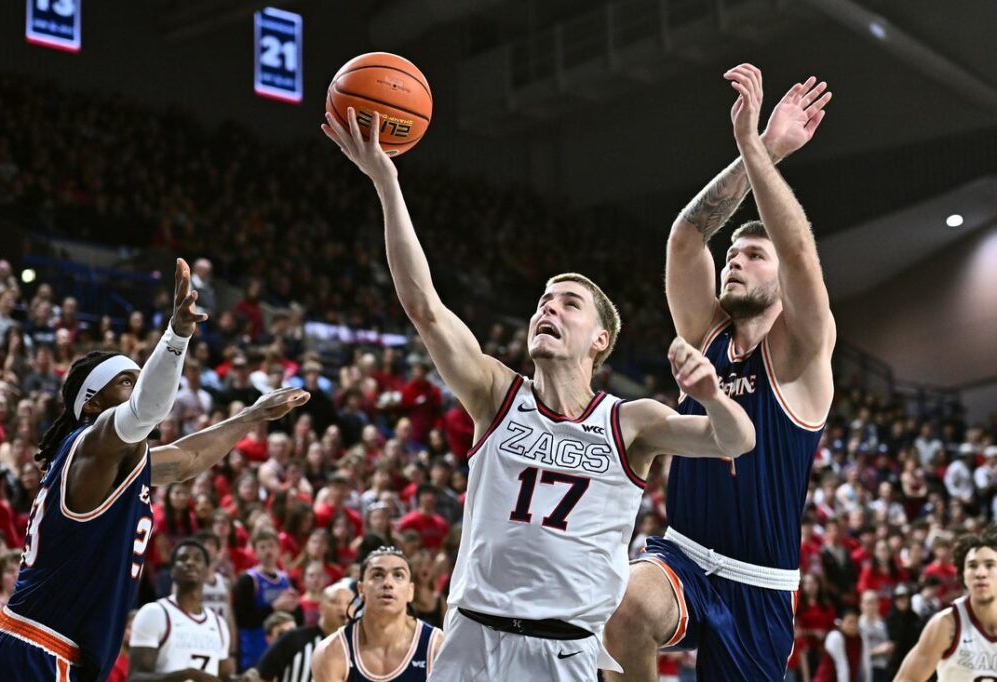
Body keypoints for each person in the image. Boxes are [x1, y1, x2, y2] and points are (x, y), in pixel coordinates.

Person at [323, 105, 756, 680]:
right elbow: (425, 308)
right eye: (542, 303)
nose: (547, 308)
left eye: (567, 303)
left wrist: (713, 394)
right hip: (472, 640)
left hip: (562, 653)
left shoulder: (631, 422)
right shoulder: (495, 393)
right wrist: (387, 182)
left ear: (600, 338)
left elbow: (737, 440)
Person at [604, 63, 835, 681]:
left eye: (752, 256)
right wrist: (766, 148)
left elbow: (799, 252)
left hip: (758, 586)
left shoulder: (801, 352)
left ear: (781, 283)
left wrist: (759, 148)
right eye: (732, 254)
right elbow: (687, 237)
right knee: (622, 609)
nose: (734, 260)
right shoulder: (707, 333)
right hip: (681, 554)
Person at [0, 259, 309, 681]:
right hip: (32, 647)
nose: (140, 386)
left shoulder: (119, 465)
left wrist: (250, 417)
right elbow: (146, 409)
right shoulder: (89, 446)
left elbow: (187, 460)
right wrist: (177, 336)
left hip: (47, 647)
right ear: (93, 403)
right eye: (127, 380)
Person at [312, 547, 443, 681]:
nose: (388, 583)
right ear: (361, 590)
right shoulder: (331, 651)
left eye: (398, 575)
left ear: (410, 591)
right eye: (378, 575)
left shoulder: (437, 647)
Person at [893, 527, 997, 680]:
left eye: (990, 565)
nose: (981, 573)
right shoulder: (946, 624)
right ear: (962, 575)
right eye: (973, 566)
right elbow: (907, 679)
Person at [128, 540, 231, 681]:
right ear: (172, 571)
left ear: (207, 571)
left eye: (197, 559)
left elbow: (223, 678)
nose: (190, 562)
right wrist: (185, 675)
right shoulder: (154, 613)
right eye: (183, 559)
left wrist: (243, 679)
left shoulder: (219, 624)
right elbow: (135, 678)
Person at [252, 581, 354, 682]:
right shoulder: (293, 638)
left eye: (348, 603)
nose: (342, 608)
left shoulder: (355, 647)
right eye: (335, 602)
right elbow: (260, 676)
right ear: (321, 607)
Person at [234, 527, 300, 670]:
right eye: (262, 547)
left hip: (283, 652)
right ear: (255, 552)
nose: (268, 551)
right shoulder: (248, 580)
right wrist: (274, 608)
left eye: (271, 546)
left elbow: (297, 618)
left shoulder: (287, 580)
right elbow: (242, 619)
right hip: (254, 652)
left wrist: (294, 609)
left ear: (278, 549)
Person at [815, 607, 872, 682]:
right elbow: (842, 667)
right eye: (850, 622)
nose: (853, 626)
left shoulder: (861, 638)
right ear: (841, 622)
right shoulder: (835, 637)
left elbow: (865, 665)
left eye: (856, 622)